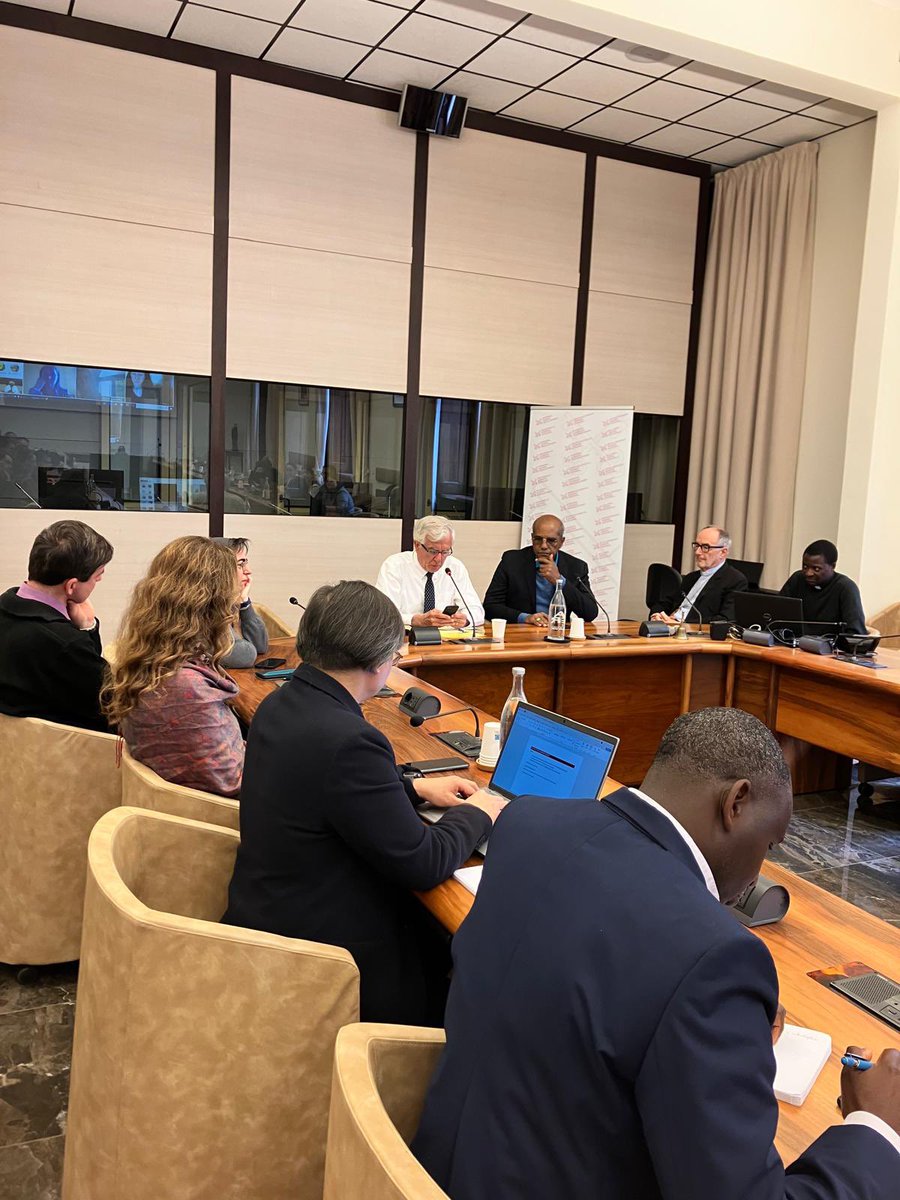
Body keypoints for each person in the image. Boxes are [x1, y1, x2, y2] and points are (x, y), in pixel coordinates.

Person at [412, 707, 900, 1199]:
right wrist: (874, 1127)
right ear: (737, 802)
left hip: (435, 1167)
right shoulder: (714, 957)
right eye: (769, 844)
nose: (758, 873)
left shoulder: (528, 821)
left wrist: (714, 1031)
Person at [223, 580, 504, 1023]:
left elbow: (327, 792)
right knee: (472, 950)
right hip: (328, 955)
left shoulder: (285, 700)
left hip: (271, 910)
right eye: (395, 657)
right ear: (376, 662)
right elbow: (423, 862)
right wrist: (479, 812)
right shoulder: (350, 740)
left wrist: (412, 788)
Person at [101, 537, 244, 797]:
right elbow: (233, 784)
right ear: (211, 607)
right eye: (232, 602)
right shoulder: (186, 688)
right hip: (219, 821)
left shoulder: (151, 658)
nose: (234, 609)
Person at [0, 520, 113, 731]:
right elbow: (110, 703)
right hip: (61, 756)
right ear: (71, 585)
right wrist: (88, 629)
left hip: (9, 754)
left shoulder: (5, 608)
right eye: (97, 578)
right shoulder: (65, 644)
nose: (97, 583)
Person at [483, 514, 599, 627]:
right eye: (538, 539)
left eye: (551, 540)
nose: (543, 546)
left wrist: (559, 580)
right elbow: (490, 606)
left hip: (558, 633)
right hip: (521, 632)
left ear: (561, 542)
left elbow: (590, 613)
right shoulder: (512, 561)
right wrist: (526, 618)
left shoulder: (576, 567)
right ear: (532, 538)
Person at [376, 516, 484, 628]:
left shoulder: (454, 567)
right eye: (433, 551)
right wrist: (414, 620)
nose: (439, 559)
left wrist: (465, 619)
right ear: (417, 545)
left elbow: (477, 611)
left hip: (445, 641)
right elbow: (384, 615)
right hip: (404, 640)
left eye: (445, 551)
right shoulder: (394, 566)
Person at [651, 524, 748, 624]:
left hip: (694, 634)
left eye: (705, 547)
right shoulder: (691, 577)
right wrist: (656, 615)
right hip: (668, 628)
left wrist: (682, 625)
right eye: (697, 546)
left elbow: (725, 619)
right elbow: (665, 603)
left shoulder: (735, 580)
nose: (697, 552)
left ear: (723, 552)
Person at [780, 540, 867, 635]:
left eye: (816, 569)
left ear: (833, 566)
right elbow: (776, 612)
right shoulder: (797, 579)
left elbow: (855, 633)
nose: (808, 573)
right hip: (792, 643)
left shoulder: (846, 588)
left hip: (829, 648)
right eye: (805, 567)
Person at [212, 537, 269, 669]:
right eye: (240, 564)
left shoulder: (229, 601)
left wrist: (244, 601)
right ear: (219, 570)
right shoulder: (204, 607)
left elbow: (260, 646)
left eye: (246, 563)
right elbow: (244, 656)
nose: (248, 571)